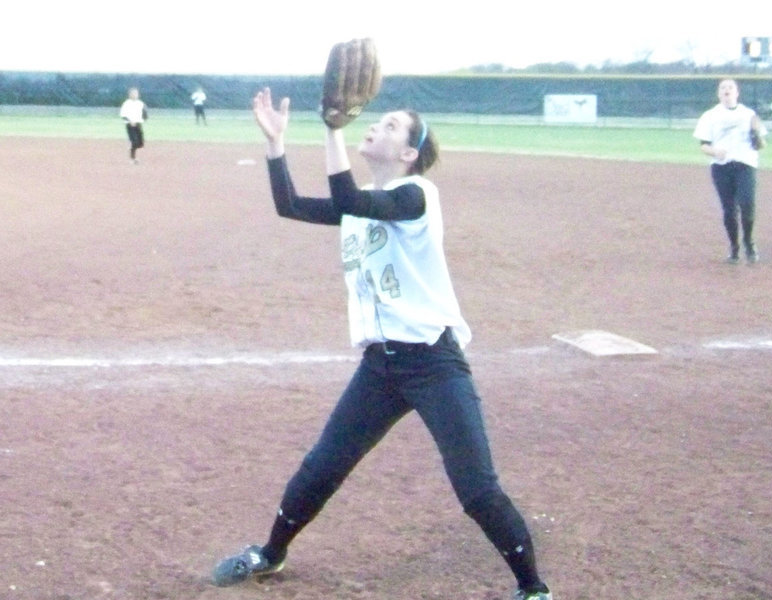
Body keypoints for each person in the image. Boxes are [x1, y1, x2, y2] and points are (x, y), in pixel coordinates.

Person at [211, 87, 553, 600]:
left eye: (391, 126)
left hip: (433, 363)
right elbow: (289, 205)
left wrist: (331, 130)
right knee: (322, 466)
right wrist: (277, 144)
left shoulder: (416, 195)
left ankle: (533, 588)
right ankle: (271, 552)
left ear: (409, 154)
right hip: (380, 367)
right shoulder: (362, 209)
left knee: (475, 487)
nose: (376, 126)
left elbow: (352, 199)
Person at [693, 78, 766, 264]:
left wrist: (756, 134)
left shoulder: (748, 114)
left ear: (737, 92)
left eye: (730, 87)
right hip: (721, 167)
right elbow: (703, 145)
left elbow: (761, 145)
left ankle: (749, 242)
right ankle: (734, 247)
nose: (727, 90)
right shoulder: (710, 115)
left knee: (747, 203)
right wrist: (714, 152)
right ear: (718, 94)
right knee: (729, 209)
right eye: (723, 87)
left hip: (745, 165)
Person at [119, 87, 148, 164]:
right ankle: (132, 159)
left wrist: (143, 119)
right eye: (133, 93)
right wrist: (129, 121)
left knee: (141, 143)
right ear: (129, 95)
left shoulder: (141, 104)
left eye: (136, 93)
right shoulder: (126, 104)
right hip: (130, 125)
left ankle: (131, 147)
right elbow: (123, 115)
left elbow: (145, 114)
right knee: (134, 141)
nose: (135, 95)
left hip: (138, 124)